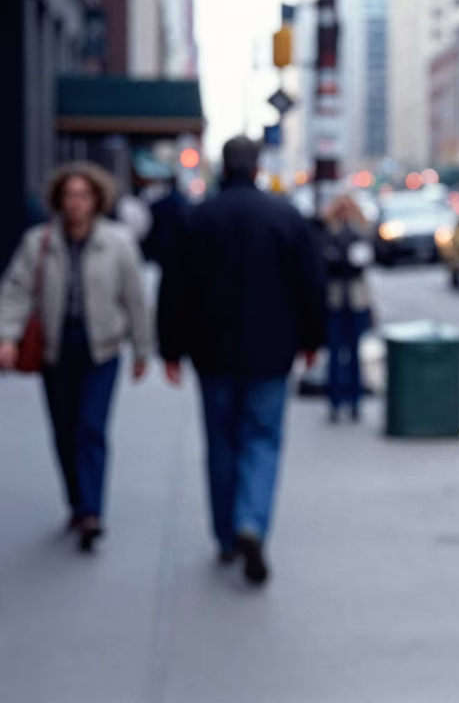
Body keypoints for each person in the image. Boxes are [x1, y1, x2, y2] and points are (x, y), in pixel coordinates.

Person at [158, 136, 325, 585]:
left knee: (221, 443)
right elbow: (310, 284)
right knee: (262, 439)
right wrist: (313, 340)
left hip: (210, 354)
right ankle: (252, 521)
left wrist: (169, 349)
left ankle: (227, 537)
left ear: (222, 167)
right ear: (256, 167)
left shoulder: (196, 218)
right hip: (271, 354)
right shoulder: (284, 217)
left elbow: (173, 288)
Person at [0, 162, 151, 552]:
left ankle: (91, 511)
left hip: (101, 348)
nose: (76, 203)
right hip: (56, 346)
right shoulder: (40, 242)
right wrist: (7, 337)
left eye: (83, 195)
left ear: (96, 200)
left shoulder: (117, 242)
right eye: (69, 195)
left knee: (90, 427)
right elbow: (15, 291)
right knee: (64, 429)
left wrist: (142, 348)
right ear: (58, 200)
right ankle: (75, 498)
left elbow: (135, 298)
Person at [316, 194, 375, 423]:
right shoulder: (328, 231)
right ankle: (335, 400)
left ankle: (354, 400)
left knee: (354, 352)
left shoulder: (359, 230)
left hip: (356, 299)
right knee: (334, 353)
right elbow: (326, 261)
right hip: (335, 300)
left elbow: (366, 257)